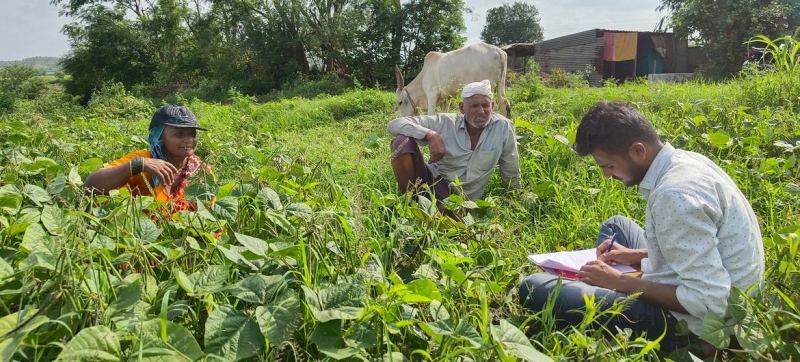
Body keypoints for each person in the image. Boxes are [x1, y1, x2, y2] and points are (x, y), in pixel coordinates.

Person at [518, 101, 765, 352]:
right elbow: (705, 243)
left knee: (533, 287)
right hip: (716, 282)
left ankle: (685, 342)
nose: (606, 176)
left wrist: (619, 282)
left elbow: (710, 301)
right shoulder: (684, 161)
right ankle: (607, 284)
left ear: (637, 150)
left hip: (698, 321)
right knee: (617, 225)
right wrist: (636, 255)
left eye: (609, 166)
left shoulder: (675, 194)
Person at [387, 79, 520, 205]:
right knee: (401, 142)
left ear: (492, 106)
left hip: (466, 200)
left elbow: (510, 166)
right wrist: (430, 135)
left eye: (485, 105)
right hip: (434, 183)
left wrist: (515, 197)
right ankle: (409, 202)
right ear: (462, 108)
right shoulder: (445, 123)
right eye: (474, 106)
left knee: (448, 216)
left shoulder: (503, 127)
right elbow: (394, 124)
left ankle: (439, 211)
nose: (481, 111)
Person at [84, 104, 212, 212]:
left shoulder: (200, 170)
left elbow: (211, 213)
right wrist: (138, 165)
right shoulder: (144, 159)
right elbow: (89, 187)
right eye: (179, 134)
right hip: (137, 237)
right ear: (159, 137)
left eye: (193, 134)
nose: (189, 140)